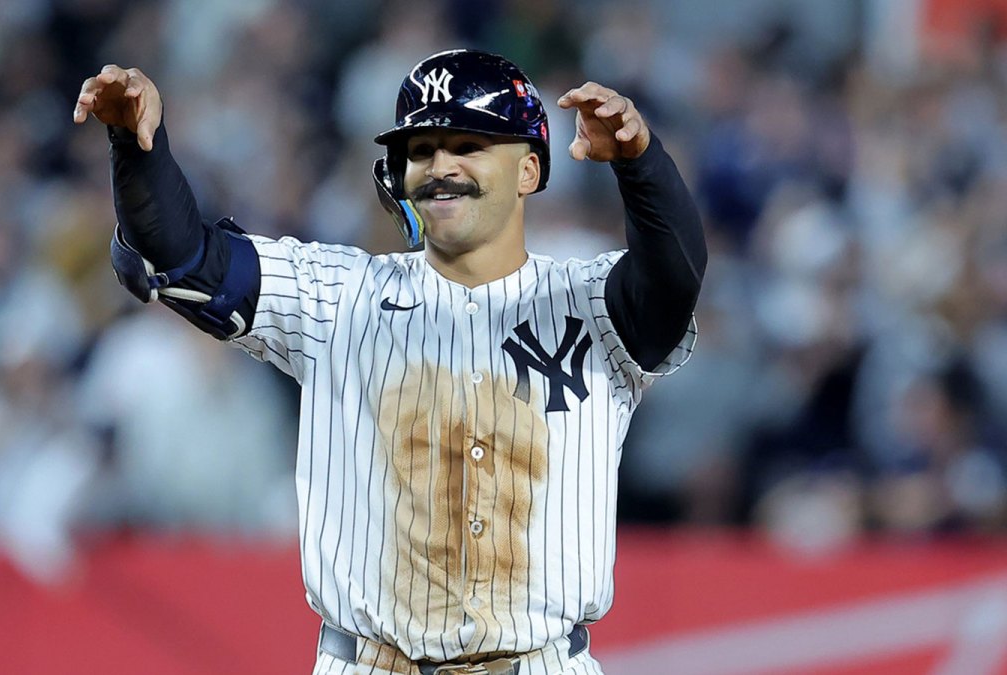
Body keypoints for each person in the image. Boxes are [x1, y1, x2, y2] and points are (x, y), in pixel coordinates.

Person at [73, 48, 705, 675]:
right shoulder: (336, 295)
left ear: (529, 171)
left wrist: (640, 164)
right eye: (422, 151)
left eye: (469, 146)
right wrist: (135, 144)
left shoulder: (590, 303)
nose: (441, 167)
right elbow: (183, 255)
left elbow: (676, 278)